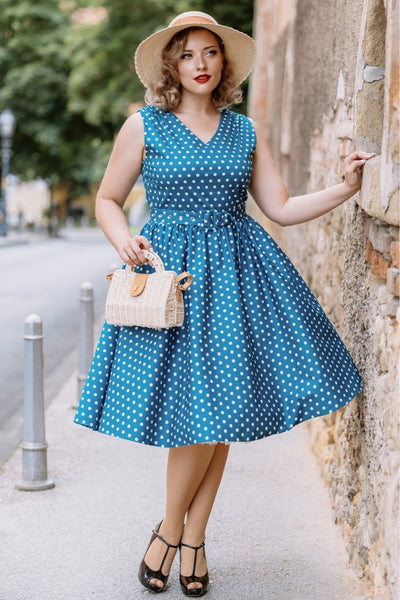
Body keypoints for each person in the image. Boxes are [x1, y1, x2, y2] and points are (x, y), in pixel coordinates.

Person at [73, 11, 375, 597]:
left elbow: (280, 207)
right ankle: (174, 533)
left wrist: (347, 187)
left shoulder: (244, 131)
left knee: (221, 413)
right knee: (197, 418)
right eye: (187, 55)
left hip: (238, 278)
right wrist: (122, 238)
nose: (201, 64)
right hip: (174, 281)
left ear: (224, 62)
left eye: (210, 53)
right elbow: (108, 199)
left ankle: (188, 536)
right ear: (171, 65)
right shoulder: (145, 127)